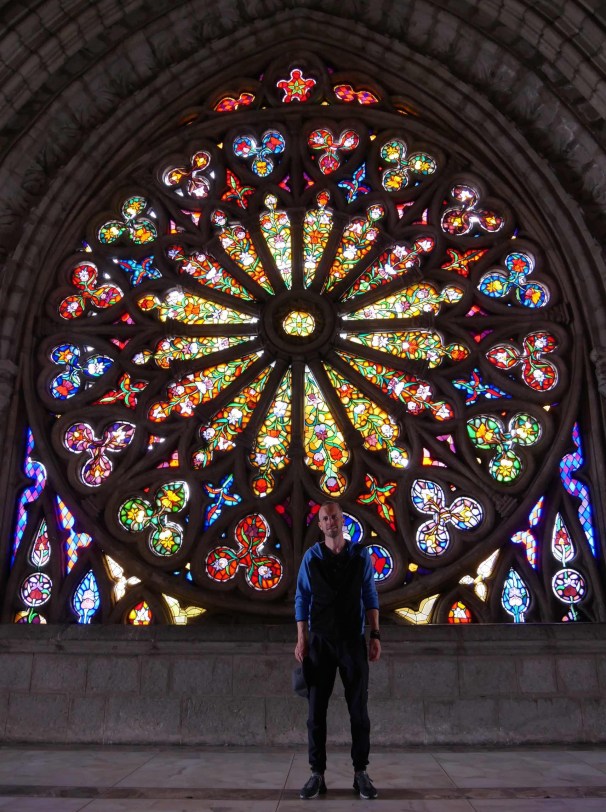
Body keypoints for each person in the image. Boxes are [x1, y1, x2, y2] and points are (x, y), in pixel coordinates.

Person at [294, 501, 381, 800]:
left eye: (335, 517)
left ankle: (361, 773)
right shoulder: (312, 557)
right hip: (320, 642)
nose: (331, 522)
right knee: (315, 712)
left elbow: (370, 594)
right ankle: (316, 773)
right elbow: (302, 598)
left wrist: (375, 634)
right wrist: (301, 638)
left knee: (359, 710)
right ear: (320, 525)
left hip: (353, 640)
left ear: (343, 521)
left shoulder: (360, 555)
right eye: (325, 518)